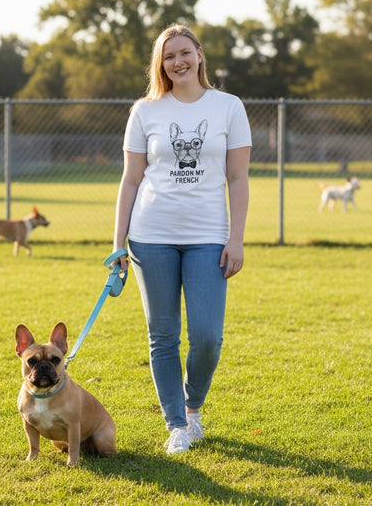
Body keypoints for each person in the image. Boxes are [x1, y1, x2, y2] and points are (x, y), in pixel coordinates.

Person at [111, 23, 252, 455]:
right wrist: (119, 242)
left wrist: (237, 238)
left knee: (208, 336)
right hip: (150, 236)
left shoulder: (229, 107)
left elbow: (238, 177)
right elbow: (131, 180)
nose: (178, 61)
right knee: (163, 334)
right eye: (169, 56)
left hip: (209, 236)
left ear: (199, 55)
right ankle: (176, 424)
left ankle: (194, 409)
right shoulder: (145, 111)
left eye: (184, 52)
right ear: (161, 64)